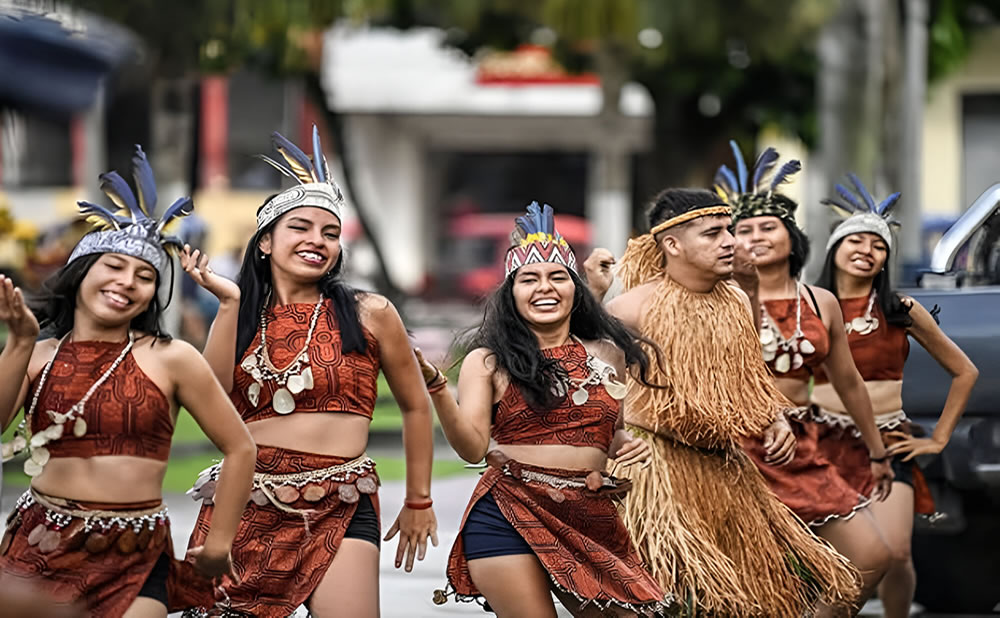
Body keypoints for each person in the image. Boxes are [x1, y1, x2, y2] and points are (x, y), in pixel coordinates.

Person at [170, 127, 437, 618]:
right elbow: (211, 400)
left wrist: (419, 498)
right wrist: (228, 305)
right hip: (243, 501)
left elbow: (416, 404)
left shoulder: (370, 313)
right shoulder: (240, 315)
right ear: (266, 242)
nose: (318, 241)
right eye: (302, 228)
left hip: (341, 497)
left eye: (330, 233)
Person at [0, 146, 256, 618]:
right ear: (80, 274)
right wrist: (17, 344)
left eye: (144, 277)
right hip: (38, 546)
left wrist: (220, 543)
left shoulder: (172, 358)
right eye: (113, 267)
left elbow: (241, 447)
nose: (127, 283)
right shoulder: (39, 356)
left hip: (136, 554)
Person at [585, 188, 859, 617]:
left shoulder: (735, 299)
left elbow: (748, 377)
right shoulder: (630, 310)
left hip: (724, 469)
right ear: (673, 245)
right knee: (659, 603)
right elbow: (592, 395)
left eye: (728, 231)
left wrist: (774, 421)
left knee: (744, 603)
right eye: (714, 234)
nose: (731, 241)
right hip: (652, 474)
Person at [422, 202, 668, 617]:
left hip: (587, 514)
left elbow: (609, 428)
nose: (544, 288)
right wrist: (438, 388)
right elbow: (472, 449)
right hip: (507, 512)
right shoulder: (489, 361)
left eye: (557, 277)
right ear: (510, 294)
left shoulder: (608, 353)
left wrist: (623, 443)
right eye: (528, 279)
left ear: (575, 289)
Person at [714, 142, 897, 610]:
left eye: (768, 227)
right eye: (744, 229)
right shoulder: (715, 301)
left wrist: (877, 451)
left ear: (791, 238)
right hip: (736, 450)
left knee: (873, 555)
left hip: (801, 445)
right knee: (757, 580)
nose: (755, 237)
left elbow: (850, 383)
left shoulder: (820, 302)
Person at [812, 176, 978, 618]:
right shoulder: (806, 306)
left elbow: (964, 371)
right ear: (835, 249)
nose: (867, 250)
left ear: (886, 258)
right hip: (820, 448)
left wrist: (938, 439)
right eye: (856, 240)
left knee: (896, 554)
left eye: (878, 245)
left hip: (888, 443)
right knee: (846, 558)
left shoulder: (900, 310)